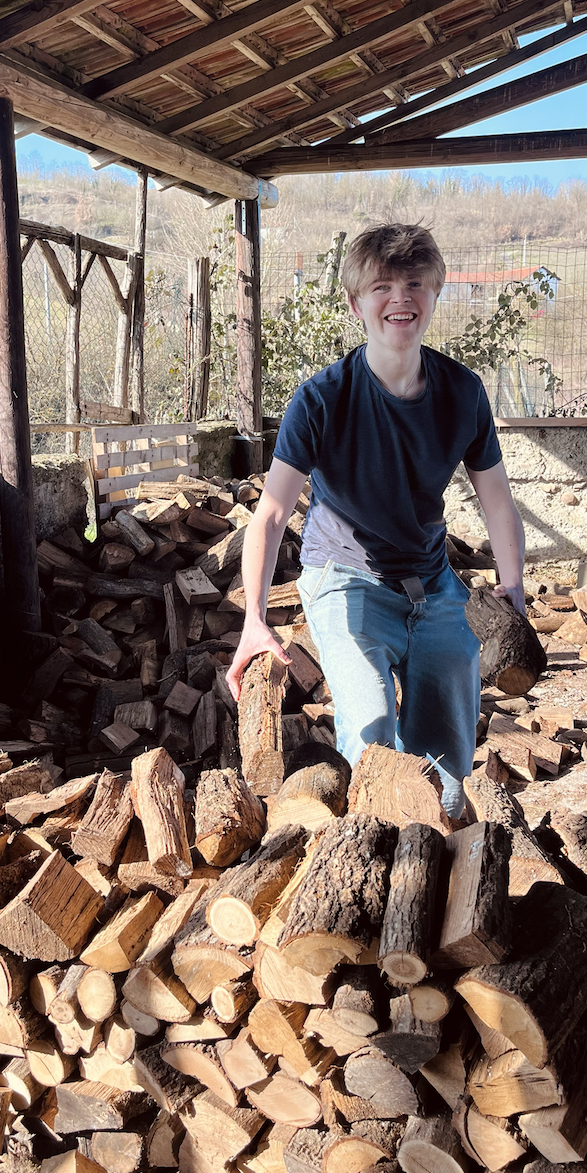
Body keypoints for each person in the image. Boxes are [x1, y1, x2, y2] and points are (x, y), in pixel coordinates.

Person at [224, 222, 525, 818]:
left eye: (414, 284)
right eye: (382, 286)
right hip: (345, 576)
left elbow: (497, 501)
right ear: (355, 303)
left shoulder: (462, 392)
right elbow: (272, 512)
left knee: (449, 766)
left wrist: (513, 587)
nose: (400, 298)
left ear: (435, 293)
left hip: (432, 581)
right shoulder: (321, 399)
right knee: (372, 735)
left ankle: (440, 855)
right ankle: (368, 844)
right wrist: (254, 619)